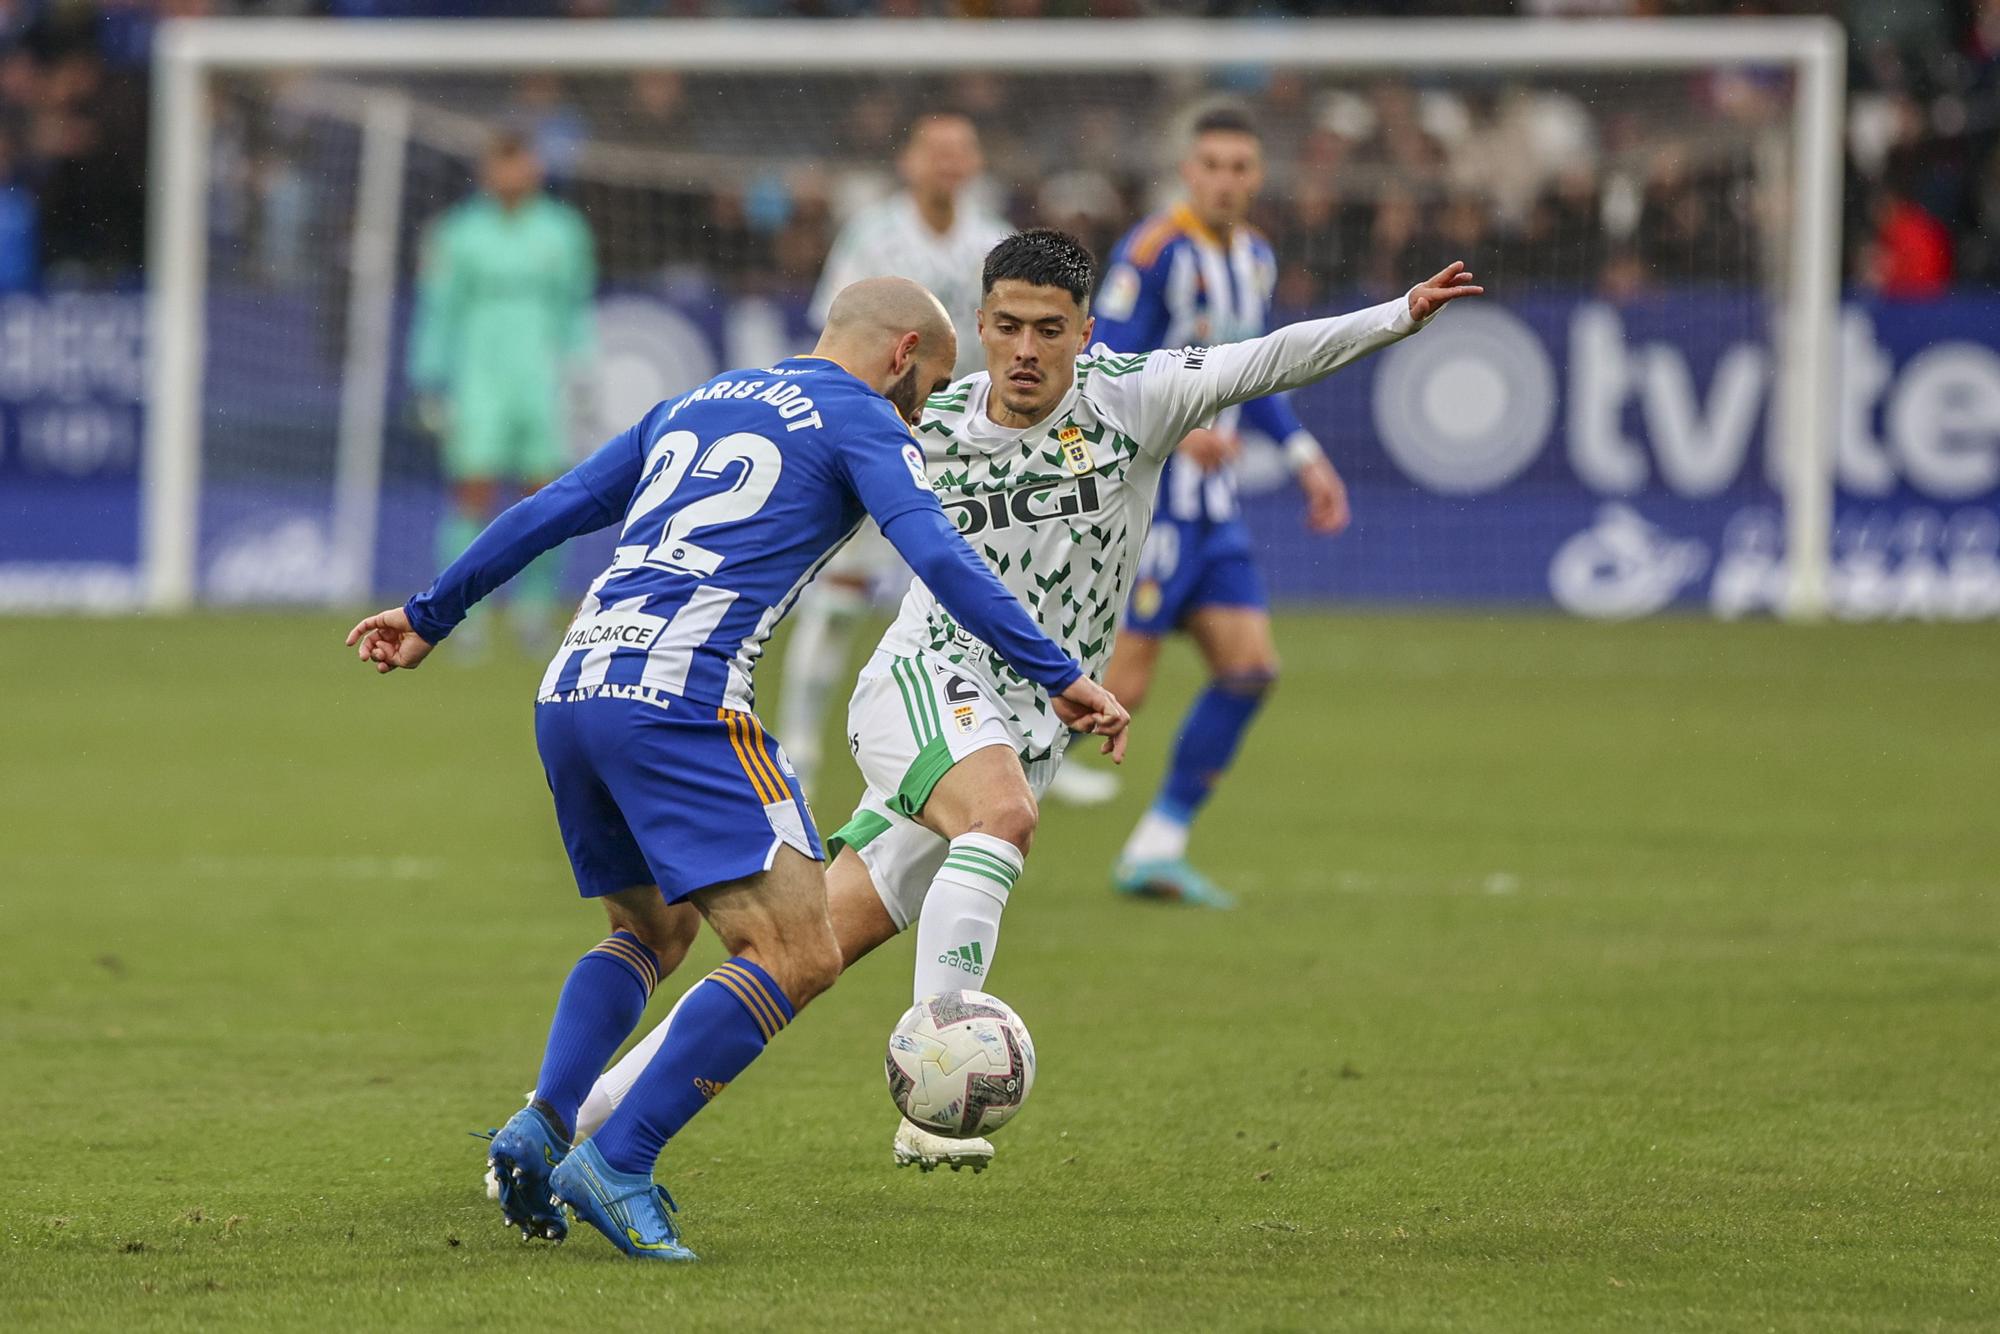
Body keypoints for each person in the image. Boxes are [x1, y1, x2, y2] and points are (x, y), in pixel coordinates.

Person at [576, 231, 1483, 1172]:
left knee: (803, 953)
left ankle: (572, 1119)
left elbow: (1270, 357)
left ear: (1084, 332)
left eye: (1048, 330)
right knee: (1000, 818)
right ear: (976, 326)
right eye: (1005, 326)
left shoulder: (1136, 398)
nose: (1023, 350)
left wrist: (1398, 315)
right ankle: (935, 1090)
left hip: (1028, 721)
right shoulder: (924, 422)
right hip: (923, 681)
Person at [346, 276, 1128, 1262]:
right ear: (898, 358)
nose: (925, 410)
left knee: (650, 927)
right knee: (799, 950)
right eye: (927, 388)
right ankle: (617, 1156)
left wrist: (428, 613)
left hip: (575, 686)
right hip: (683, 700)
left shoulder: (697, 402)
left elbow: (554, 507)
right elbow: (935, 551)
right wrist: (1058, 672)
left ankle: (545, 1124)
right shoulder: (863, 417)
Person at [1087, 102, 1355, 907]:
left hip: (1215, 509)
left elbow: (1258, 370)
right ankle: (936, 804)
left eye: (1242, 167)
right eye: (1213, 166)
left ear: (1257, 176)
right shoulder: (1153, 250)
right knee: (1118, 690)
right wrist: (1180, 423)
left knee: (1248, 670)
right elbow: (1105, 363)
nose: (1227, 181)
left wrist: (1305, 456)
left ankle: (1155, 847)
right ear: (1188, 171)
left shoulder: (1258, 257)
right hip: (1155, 500)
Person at [780, 113, 1014, 791]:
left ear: (975, 164)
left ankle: (1001, 736)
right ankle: (800, 738)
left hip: (962, 436)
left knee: (969, 590)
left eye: (961, 152)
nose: (948, 164)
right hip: (876, 430)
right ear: (909, 161)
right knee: (844, 589)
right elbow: (836, 331)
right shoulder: (872, 236)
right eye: (935, 152)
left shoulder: (993, 239)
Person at [406, 131, 596, 649]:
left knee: (545, 494)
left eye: (522, 162)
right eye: (503, 163)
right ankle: (454, 614)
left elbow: (574, 307)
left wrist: (581, 371)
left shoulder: (563, 231)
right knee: (473, 490)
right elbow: (438, 309)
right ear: (487, 170)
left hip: (540, 372)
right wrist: (430, 377)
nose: (513, 174)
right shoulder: (457, 234)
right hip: (479, 374)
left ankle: (534, 613)